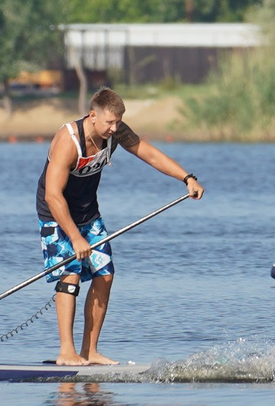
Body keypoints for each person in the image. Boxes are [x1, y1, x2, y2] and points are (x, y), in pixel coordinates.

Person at [37, 86, 202, 366]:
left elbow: (149, 154)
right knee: (71, 274)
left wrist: (186, 178)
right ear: (92, 116)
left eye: (118, 122)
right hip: (56, 214)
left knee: (105, 275)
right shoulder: (68, 140)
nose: (115, 128)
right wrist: (76, 238)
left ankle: (90, 351)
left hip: (89, 214)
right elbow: (53, 195)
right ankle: (67, 351)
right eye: (109, 122)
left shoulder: (115, 133)